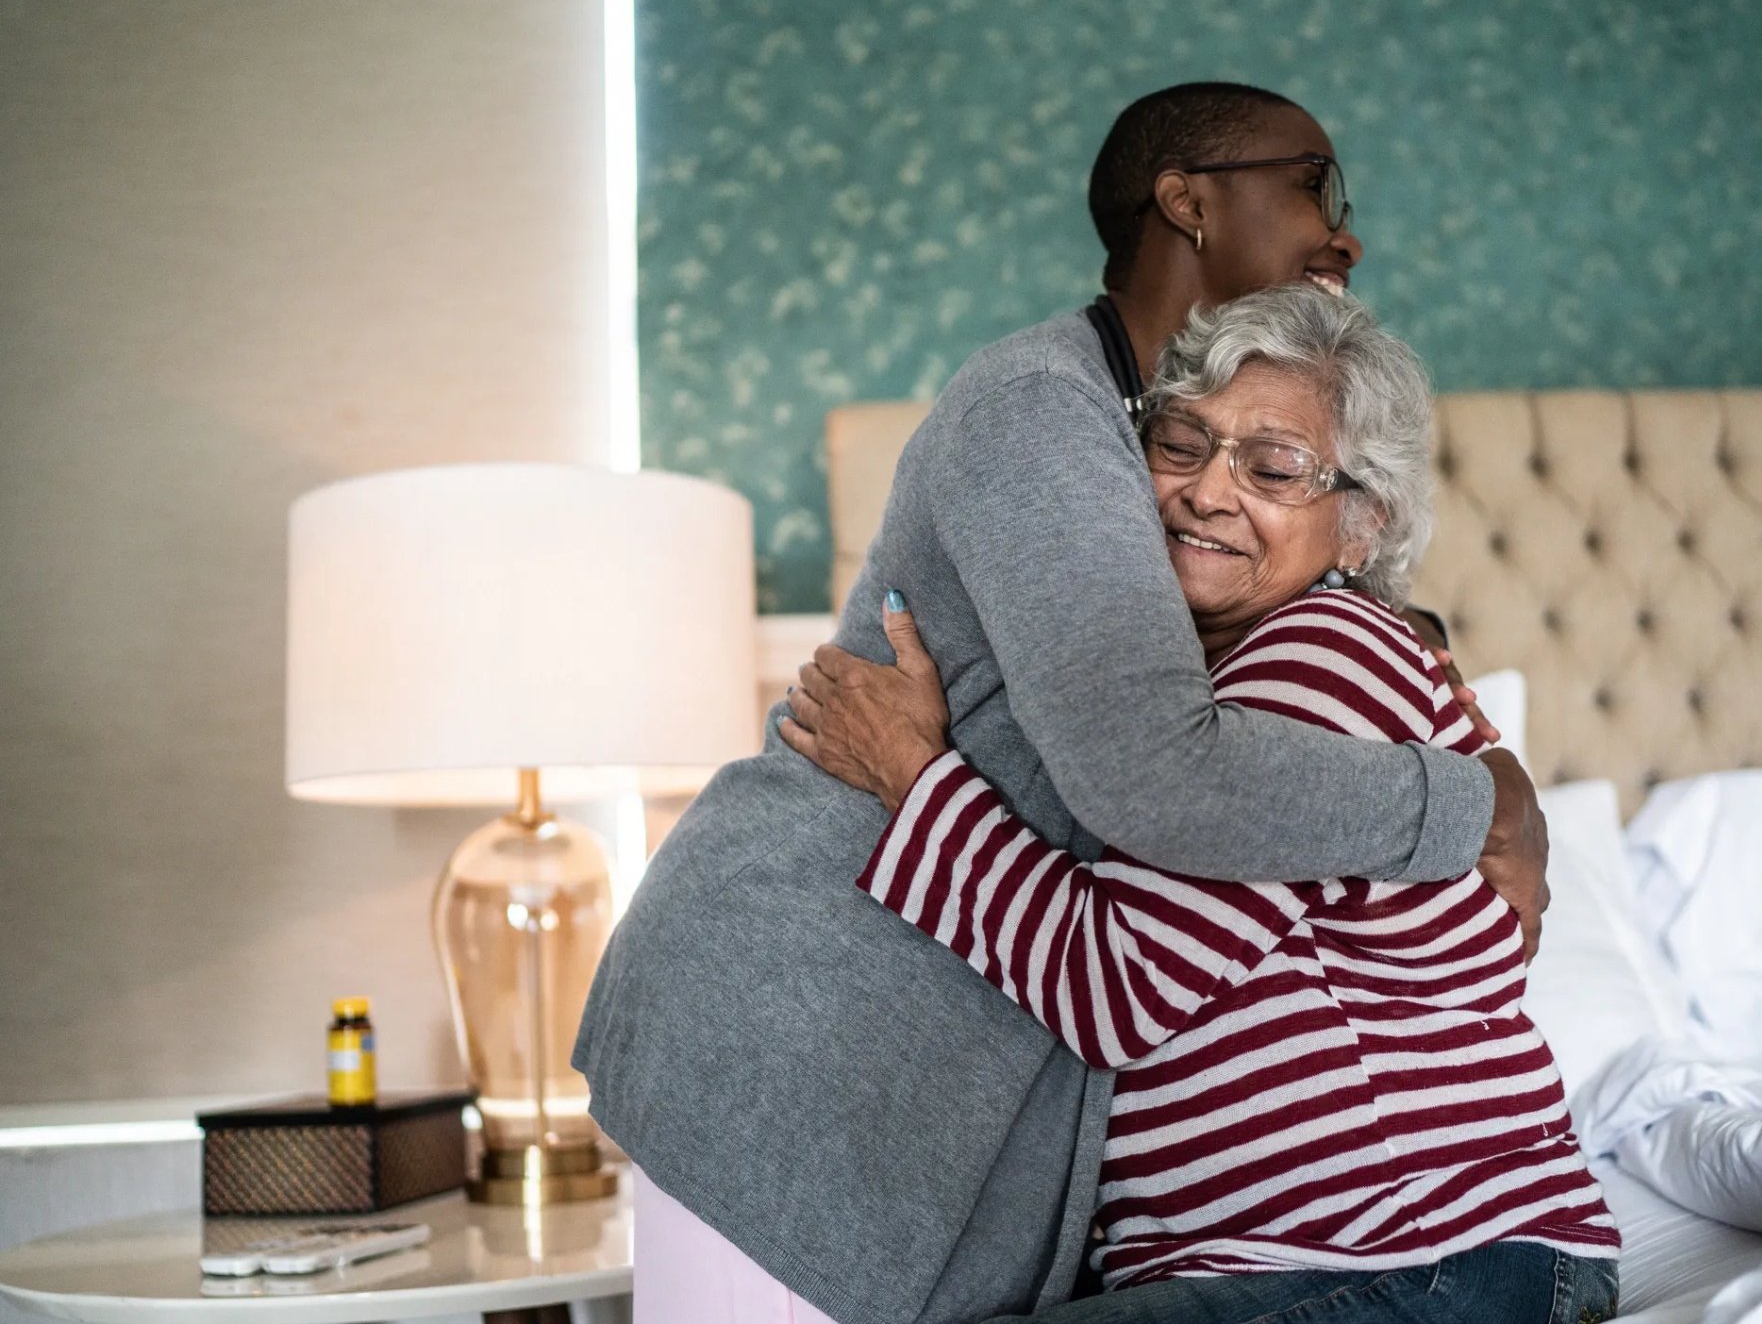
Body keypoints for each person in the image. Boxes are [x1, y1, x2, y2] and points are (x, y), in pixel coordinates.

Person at [574, 82, 1549, 1324]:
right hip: (791, 1008)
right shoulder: (1041, 411)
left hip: (936, 1055)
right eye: (1312, 181)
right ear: (1187, 203)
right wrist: (1473, 797)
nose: (1342, 230)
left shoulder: (1154, 454)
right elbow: (1158, 773)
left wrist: (1402, 642)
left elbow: (1256, 648)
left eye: (1268, 464)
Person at [782, 285, 1619, 1324]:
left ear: (1361, 527)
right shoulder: (1166, 708)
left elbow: (1113, 987)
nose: (1206, 493)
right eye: (1181, 443)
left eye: (1271, 468)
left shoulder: (1322, 654)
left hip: (1417, 1255)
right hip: (1312, 1265)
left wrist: (914, 775)